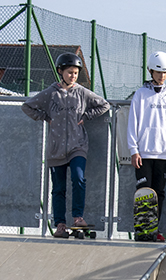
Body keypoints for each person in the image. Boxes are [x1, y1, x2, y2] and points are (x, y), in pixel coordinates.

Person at [22, 52, 110, 238]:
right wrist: (46, 118)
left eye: (76, 73)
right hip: (56, 148)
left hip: (78, 145)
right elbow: (27, 106)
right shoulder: (51, 93)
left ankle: (78, 218)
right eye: (70, 72)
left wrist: (86, 116)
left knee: (78, 179)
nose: (73, 76)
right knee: (58, 188)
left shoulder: (82, 92)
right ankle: (60, 225)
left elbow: (104, 105)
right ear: (60, 71)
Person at [127, 51, 166, 242]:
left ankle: (154, 230)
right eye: (158, 72)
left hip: (163, 154)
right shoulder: (140, 95)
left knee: (159, 193)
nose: (161, 76)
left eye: (165, 72)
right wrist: (133, 150)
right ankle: (142, 230)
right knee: (144, 193)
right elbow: (132, 122)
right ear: (150, 71)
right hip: (144, 153)